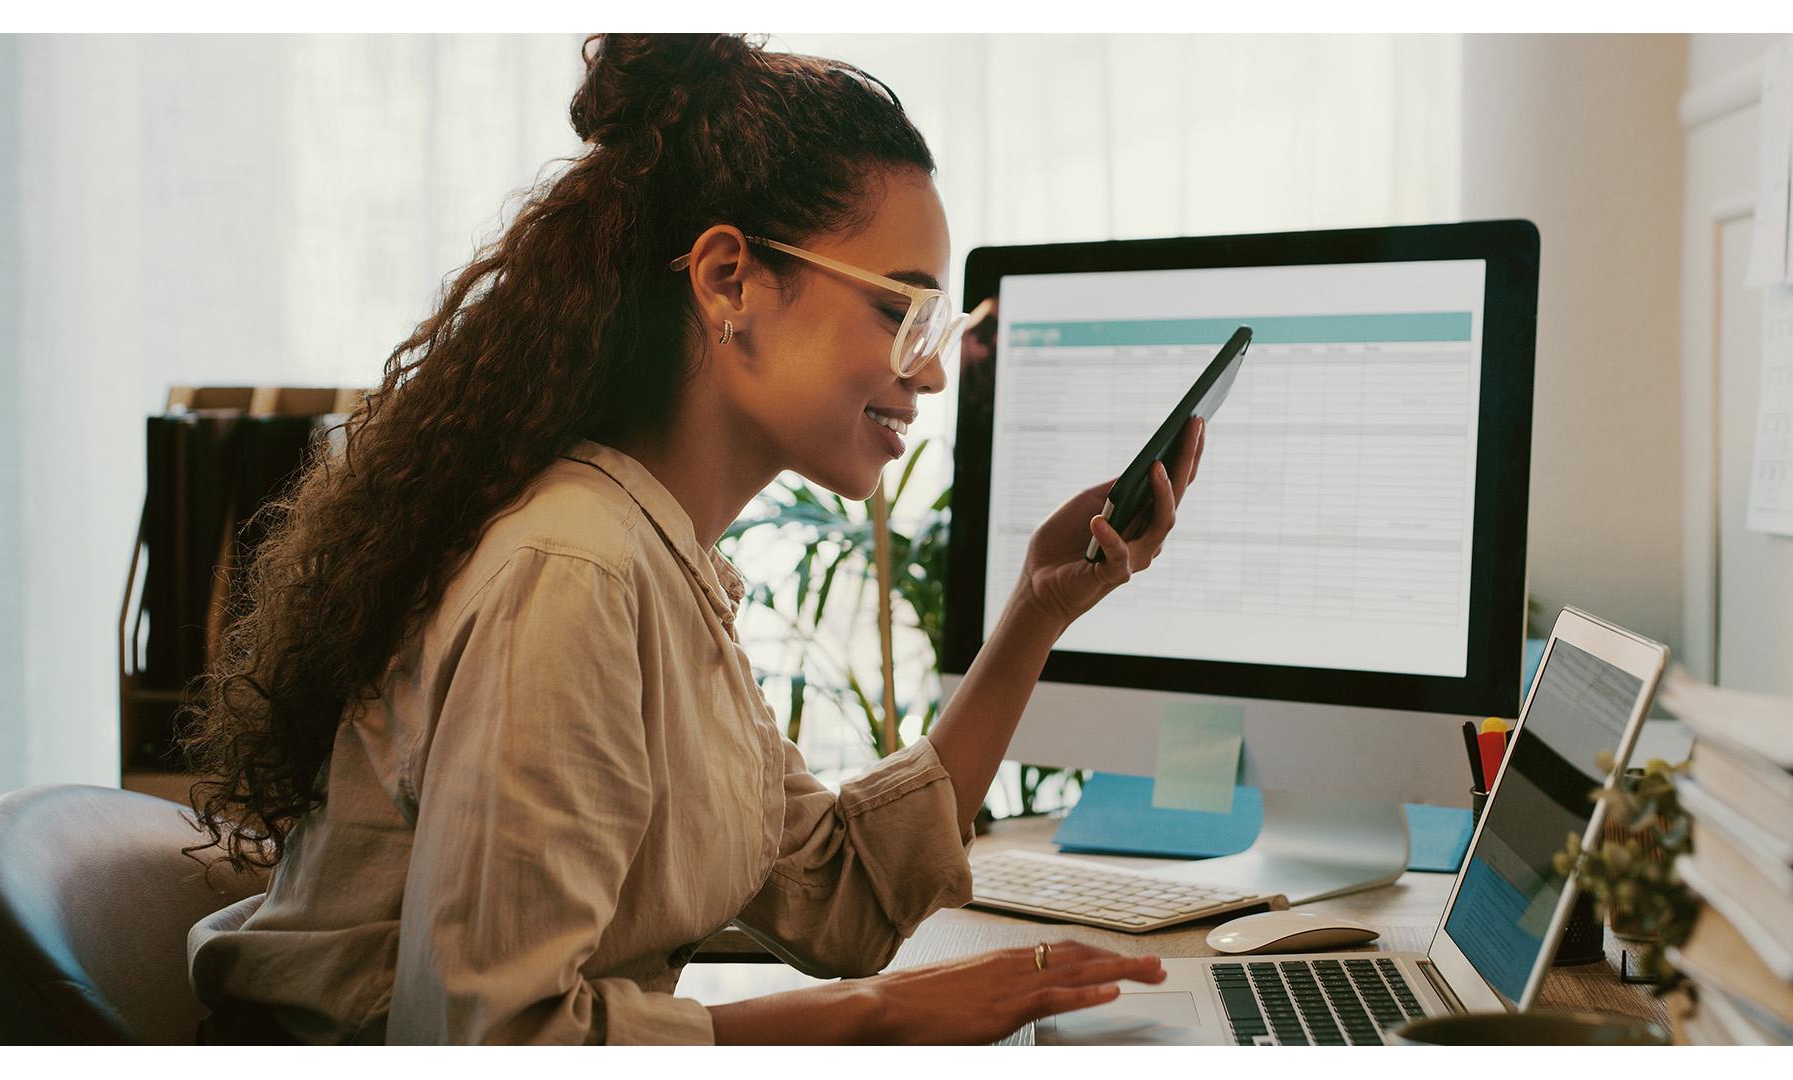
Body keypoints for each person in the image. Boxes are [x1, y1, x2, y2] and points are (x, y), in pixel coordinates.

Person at [181, 33, 1204, 1045]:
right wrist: (878, 1017)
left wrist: (1037, 609)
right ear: (726, 282)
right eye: (902, 310)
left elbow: (843, 896)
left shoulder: (653, 563)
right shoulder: (572, 571)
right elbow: (493, 1039)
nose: (932, 372)